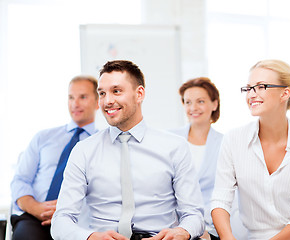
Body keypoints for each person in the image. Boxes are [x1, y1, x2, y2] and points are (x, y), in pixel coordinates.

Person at [50, 60, 204, 240]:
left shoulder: (175, 147)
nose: (107, 101)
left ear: (139, 94)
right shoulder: (83, 151)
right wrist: (91, 237)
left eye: (116, 91)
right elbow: (61, 221)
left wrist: (182, 232)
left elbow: (194, 215)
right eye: (102, 93)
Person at [211, 59, 290, 239]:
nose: (251, 94)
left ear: (285, 93)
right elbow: (220, 199)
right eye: (248, 88)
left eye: (261, 87)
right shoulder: (233, 140)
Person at [10, 75, 99, 240]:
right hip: (35, 219)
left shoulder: (103, 144)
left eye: (83, 97)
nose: (75, 103)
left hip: (80, 222)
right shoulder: (43, 138)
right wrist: (36, 208)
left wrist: (67, 211)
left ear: (98, 102)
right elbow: (20, 180)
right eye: (71, 97)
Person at [171, 77, 247, 240]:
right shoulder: (171, 140)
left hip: (212, 227)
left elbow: (231, 194)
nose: (193, 108)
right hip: (174, 226)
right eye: (188, 102)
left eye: (200, 101)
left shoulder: (227, 143)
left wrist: (204, 229)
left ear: (214, 104)